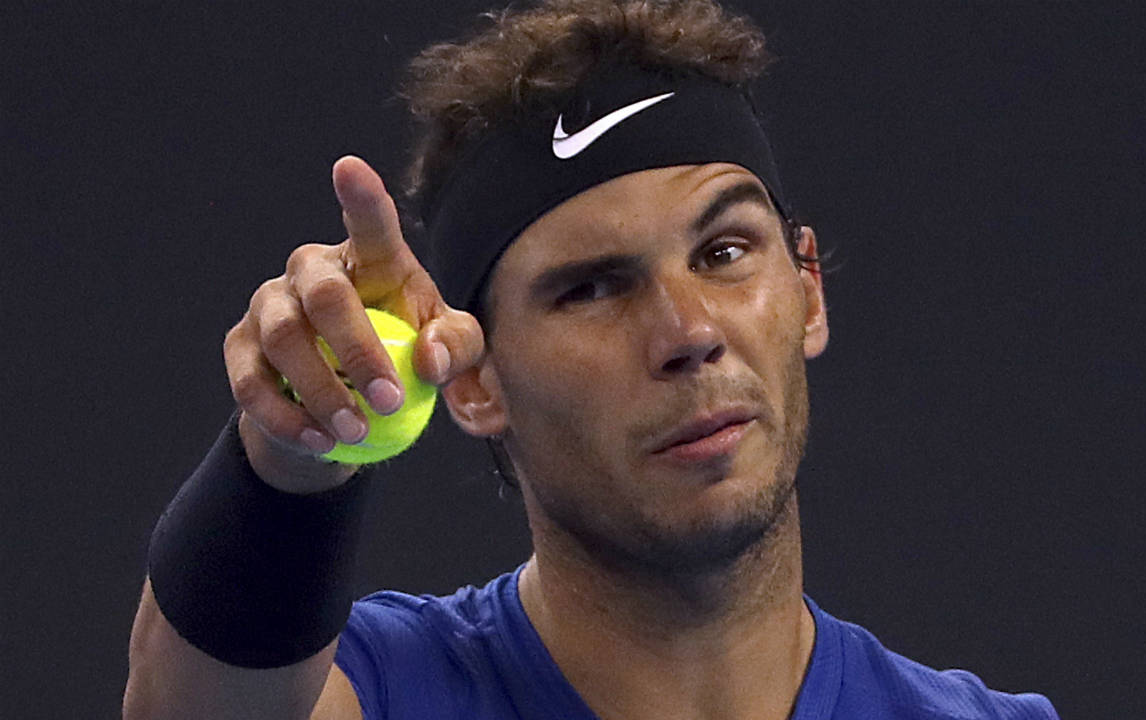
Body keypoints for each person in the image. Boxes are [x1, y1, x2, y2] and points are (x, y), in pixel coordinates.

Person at [124, 1, 1059, 718]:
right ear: (478, 380)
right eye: (593, 289)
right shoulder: (379, 691)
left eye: (724, 254)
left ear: (808, 287)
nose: (688, 331)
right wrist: (295, 447)